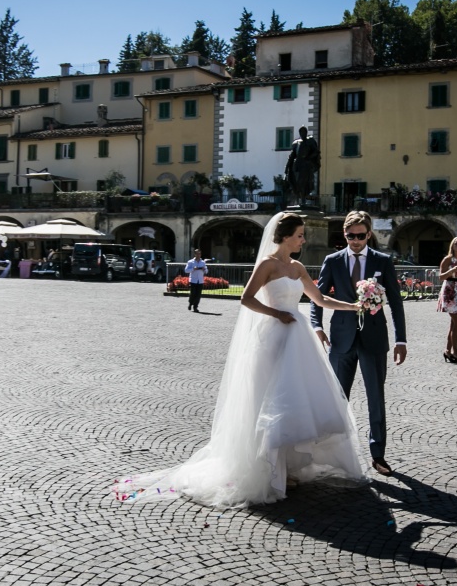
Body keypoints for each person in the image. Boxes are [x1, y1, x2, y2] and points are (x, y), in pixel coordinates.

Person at [115, 212, 367, 508]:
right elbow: (246, 298)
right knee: (269, 398)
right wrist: (277, 314)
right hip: (274, 335)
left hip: (297, 336)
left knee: (295, 400)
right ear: (285, 236)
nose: (303, 239)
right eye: (299, 234)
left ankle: (286, 467)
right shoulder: (267, 265)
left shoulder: (297, 267)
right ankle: (267, 468)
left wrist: (353, 306)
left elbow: (320, 299)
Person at [311, 210, 407, 476]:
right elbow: (317, 297)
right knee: (336, 399)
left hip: (374, 340)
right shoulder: (332, 261)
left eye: (361, 236)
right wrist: (316, 326)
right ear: (344, 234)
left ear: (369, 234)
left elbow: (396, 303)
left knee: (376, 398)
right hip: (341, 339)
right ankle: (335, 454)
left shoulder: (383, 261)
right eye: (351, 236)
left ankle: (378, 455)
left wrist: (401, 339)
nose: (355, 241)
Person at [284, 126, 319, 206]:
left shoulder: (310, 141)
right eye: (301, 132)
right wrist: (286, 168)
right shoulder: (296, 143)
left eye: (304, 132)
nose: (303, 133)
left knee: (304, 183)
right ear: (299, 133)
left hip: (306, 165)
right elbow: (291, 156)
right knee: (296, 183)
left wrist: (309, 157)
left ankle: (303, 200)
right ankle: (298, 200)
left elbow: (316, 152)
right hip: (297, 166)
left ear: (306, 133)